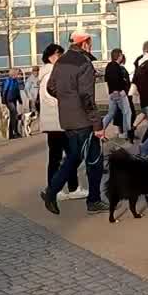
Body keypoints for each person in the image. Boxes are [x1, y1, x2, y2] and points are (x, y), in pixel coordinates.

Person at [39, 31, 105, 214]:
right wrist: (97, 125)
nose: (91, 46)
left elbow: (51, 87)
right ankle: (53, 193)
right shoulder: (84, 64)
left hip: (67, 119)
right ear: (84, 44)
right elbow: (87, 97)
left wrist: (67, 100)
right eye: (90, 43)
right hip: (83, 120)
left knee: (82, 158)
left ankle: (93, 200)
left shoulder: (60, 62)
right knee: (84, 159)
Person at [36, 43, 83, 200]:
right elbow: (52, 96)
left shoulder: (48, 73)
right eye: (59, 55)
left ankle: (69, 187)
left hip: (55, 121)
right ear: (51, 57)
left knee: (64, 155)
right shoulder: (50, 74)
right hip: (57, 121)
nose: (62, 58)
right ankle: (57, 189)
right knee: (67, 155)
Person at [102, 49, 134, 141]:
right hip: (119, 93)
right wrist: (122, 90)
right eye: (121, 55)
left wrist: (111, 91)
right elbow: (117, 80)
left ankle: (101, 129)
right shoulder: (116, 67)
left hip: (112, 93)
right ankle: (126, 133)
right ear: (119, 56)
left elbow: (107, 79)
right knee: (127, 112)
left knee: (110, 113)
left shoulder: (108, 66)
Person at [0, 68, 24, 139]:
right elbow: (4, 91)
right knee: (14, 114)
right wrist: (3, 101)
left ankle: (13, 133)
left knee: (13, 116)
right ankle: (14, 132)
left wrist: (20, 100)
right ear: (15, 74)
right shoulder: (8, 81)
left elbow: (17, 91)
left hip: (13, 99)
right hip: (8, 100)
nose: (20, 75)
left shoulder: (15, 81)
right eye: (19, 74)